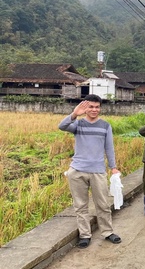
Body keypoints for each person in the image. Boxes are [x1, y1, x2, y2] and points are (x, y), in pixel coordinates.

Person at [58, 94, 121, 249]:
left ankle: (107, 232)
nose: (94, 110)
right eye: (91, 107)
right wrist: (74, 114)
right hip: (77, 170)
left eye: (97, 107)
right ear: (85, 108)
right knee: (80, 205)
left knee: (103, 204)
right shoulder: (78, 125)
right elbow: (62, 126)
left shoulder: (105, 126)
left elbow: (109, 148)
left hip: (98, 171)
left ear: (100, 108)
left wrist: (113, 167)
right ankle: (85, 235)